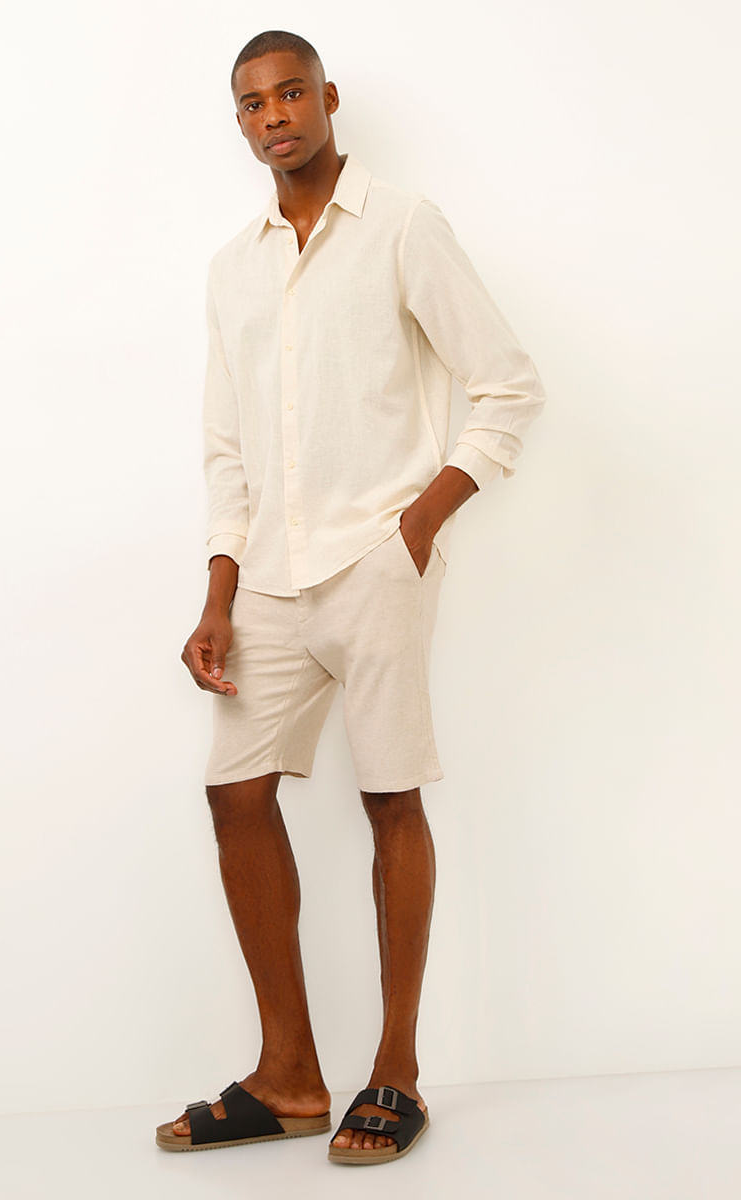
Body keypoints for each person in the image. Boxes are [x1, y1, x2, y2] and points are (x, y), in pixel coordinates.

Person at [158, 30, 546, 1165]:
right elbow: (226, 447)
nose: (273, 116)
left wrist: (417, 525)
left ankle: (396, 1073)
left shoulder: (404, 226)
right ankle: (287, 1077)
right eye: (252, 104)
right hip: (267, 579)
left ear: (327, 98)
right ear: (239, 124)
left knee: (389, 800)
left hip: (375, 561)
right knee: (236, 795)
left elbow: (507, 386)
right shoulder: (231, 268)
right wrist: (218, 591)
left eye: (290, 94)